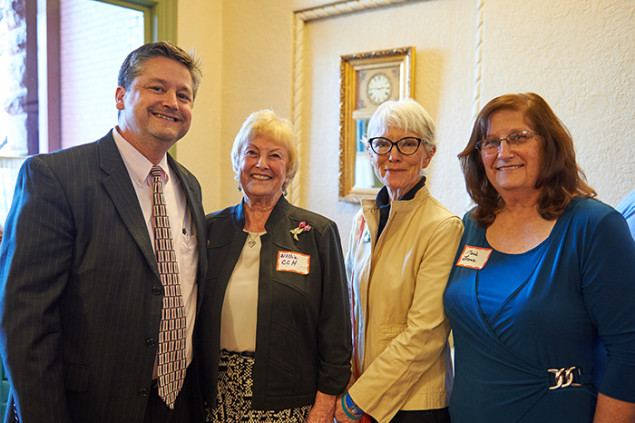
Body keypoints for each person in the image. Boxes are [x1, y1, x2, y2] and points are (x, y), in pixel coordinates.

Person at [0, 41, 207, 423]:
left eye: (184, 95)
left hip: (177, 403)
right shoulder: (56, 178)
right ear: (120, 95)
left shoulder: (189, 186)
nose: (172, 103)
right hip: (88, 408)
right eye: (157, 88)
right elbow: (24, 322)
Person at [443, 92, 635, 422]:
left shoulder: (593, 227)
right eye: (490, 142)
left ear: (549, 145)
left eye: (519, 137)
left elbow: (629, 352)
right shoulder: (471, 224)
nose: (504, 152)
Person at [200, 110, 352, 422]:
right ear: (238, 161)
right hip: (212, 399)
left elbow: (336, 328)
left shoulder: (317, 234)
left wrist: (325, 405)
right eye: (251, 152)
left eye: (275, 155)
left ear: (288, 168)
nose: (261, 164)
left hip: (288, 401)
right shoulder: (208, 230)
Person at [335, 99, 463, 423]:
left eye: (407, 143)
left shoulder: (443, 226)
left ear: (428, 153)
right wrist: (346, 378)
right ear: (370, 149)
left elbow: (426, 333)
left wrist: (357, 399)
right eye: (382, 144)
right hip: (361, 391)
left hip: (414, 406)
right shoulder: (363, 220)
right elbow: (348, 306)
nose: (393, 155)